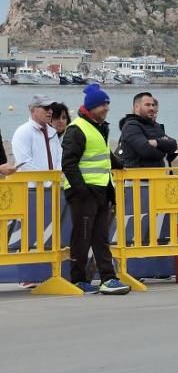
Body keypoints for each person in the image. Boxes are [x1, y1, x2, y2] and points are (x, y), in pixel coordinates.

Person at [60, 84, 131, 295]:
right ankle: (78, 279)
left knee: (100, 236)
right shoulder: (77, 129)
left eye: (107, 105)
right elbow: (69, 164)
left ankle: (108, 278)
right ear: (90, 107)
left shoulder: (99, 127)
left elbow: (102, 152)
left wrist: (118, 163)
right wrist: (82, 191)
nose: (106, 109)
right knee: (82, 236)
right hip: (84, 193)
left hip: (101, 189)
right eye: (102, 106)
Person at [117, 92, 178, 169]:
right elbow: (146, 151)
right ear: (136, 107)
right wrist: (164, 152)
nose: (151, 108)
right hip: (139, 178)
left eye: (152, 105)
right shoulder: (131, 126)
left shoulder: (155, 126)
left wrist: (157, 143)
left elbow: (173, 145)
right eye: (147, 105)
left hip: (159, 176)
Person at [11, 94, 61, 171]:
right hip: (31, 182)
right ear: (33, 110)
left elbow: (59, 158)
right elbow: (24, 163)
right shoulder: (23, 132)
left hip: (54, 181)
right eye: (46, 108)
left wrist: (56, 175)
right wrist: (46, 180)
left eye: (51, 108)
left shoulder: (53, 132)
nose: (50, 111)